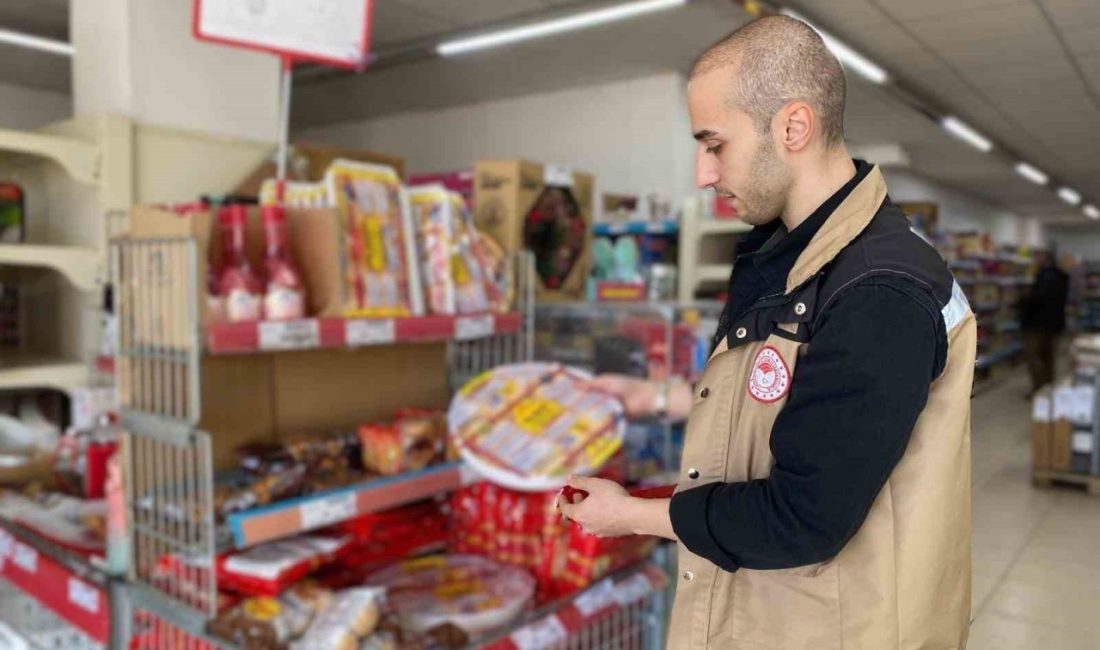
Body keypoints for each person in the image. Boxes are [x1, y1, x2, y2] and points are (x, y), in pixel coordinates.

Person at [558, 15, 975, 650]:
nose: (702, 171)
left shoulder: (881, 289)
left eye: (714, 143)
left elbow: (803, 516)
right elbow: (781, 397)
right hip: (772, 614)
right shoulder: (792, 256)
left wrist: (630, 515)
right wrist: (660, 400)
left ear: (793, 127)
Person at [1021, 250, 1069, 396]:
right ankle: (1049, 387)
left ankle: (1039, 388)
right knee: (1049, 357)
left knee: (1033, 357)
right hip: (1055, 324)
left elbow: (1038, 300)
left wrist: (1023, 300)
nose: (1035, 260)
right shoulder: (1062, 277)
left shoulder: (1044, 277)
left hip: (1037, 324)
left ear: (1046, 259)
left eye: (1037, 257)